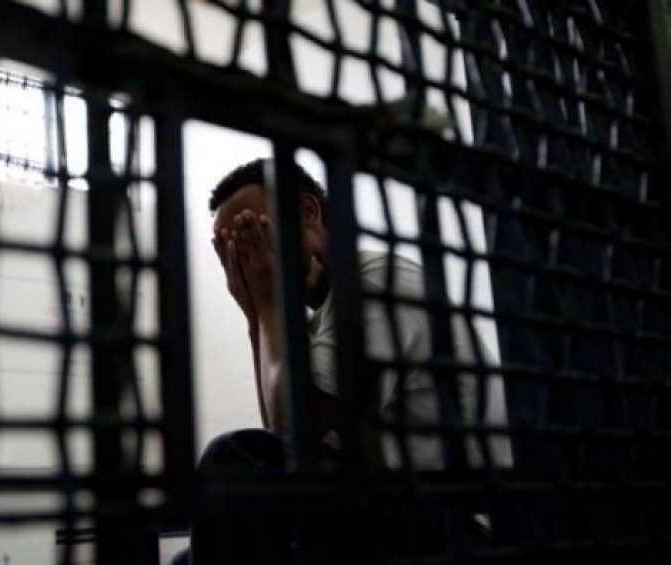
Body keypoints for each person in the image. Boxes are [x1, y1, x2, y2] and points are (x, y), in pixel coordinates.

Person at [174, 159, 511, 564]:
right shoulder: (321, 321)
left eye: (254, 237)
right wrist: (254, 317)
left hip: (462, 525)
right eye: (237, 253)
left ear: (308, 213)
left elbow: (291, 428)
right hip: (397, 510)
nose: (251, 262)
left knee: (231, 460)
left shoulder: (378, 279)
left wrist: (267, 304)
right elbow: (282, 440)